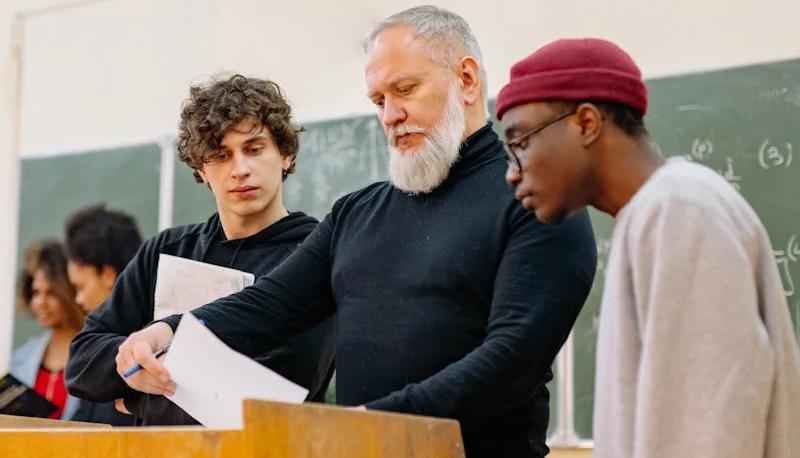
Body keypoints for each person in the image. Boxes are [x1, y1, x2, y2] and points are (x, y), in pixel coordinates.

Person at [114, 7, 596, 457]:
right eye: (379, 100)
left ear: (466, 80)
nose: (390, 115)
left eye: (405, 90)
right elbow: (270, 305)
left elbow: (512, 362)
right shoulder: (358, 213)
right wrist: (167, 331)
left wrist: (371, 425)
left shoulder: (537, 199)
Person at [496, 38, 800, 457]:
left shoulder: (679, 210)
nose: (512, 173)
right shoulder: (656, 212)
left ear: (586, 123)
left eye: (520, 142)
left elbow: (711, 431)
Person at [65, 74, 337, 425]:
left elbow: (278, 389)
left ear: (285, 154)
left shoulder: (316, 255)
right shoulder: (167, 250)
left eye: (254, 149)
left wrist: (134, 401)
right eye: (220, 155)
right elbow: (83, 361)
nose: (240, 169)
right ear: (201, 169)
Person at [62, 204, 143, 425]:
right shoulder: (96, 349)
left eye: (81, 287)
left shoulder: (140, 347)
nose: (78, 300)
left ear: (107, 274)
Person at [11, 241, 85, 420]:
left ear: (70, 292)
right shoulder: (22, 356)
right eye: (36, 292)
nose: (40, 302)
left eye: (51, 293)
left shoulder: (93, 353)